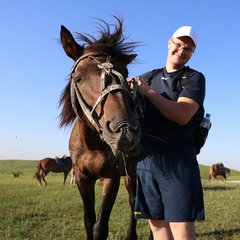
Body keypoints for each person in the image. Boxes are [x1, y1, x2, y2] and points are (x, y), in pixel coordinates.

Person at [128, 26, 205, 240]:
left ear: (192, 54)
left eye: (188, 49)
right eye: (178, 44)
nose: (181, 50)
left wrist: (148, 92)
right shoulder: (148, 77)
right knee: (158, 227)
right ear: (169, 43)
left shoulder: (193, 79)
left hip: (177, 164)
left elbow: (182, 115)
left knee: (181, 231)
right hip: (146, 163)